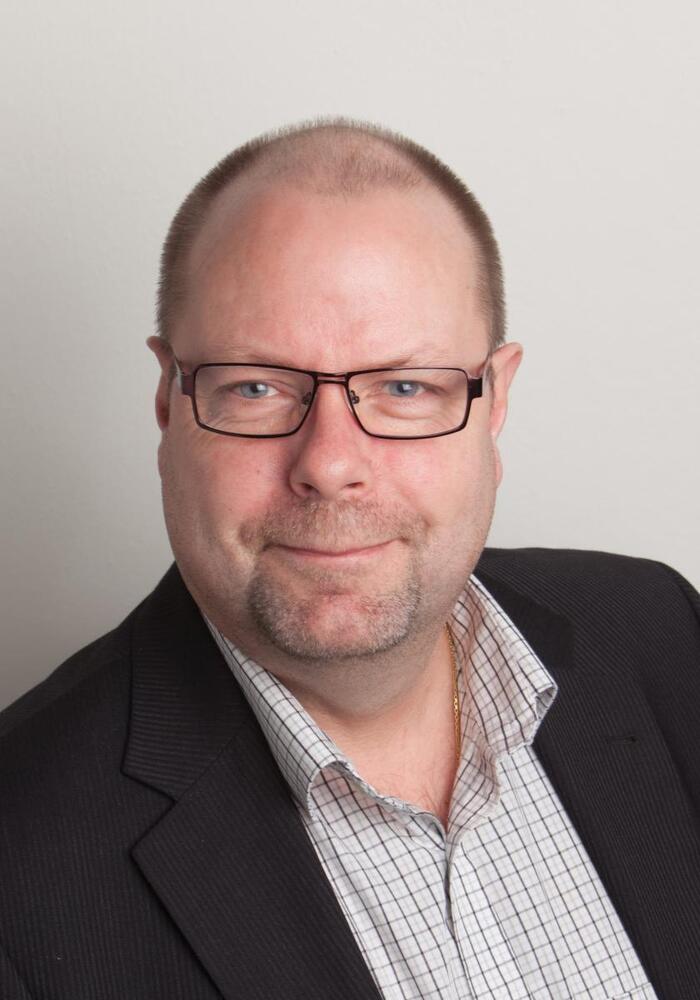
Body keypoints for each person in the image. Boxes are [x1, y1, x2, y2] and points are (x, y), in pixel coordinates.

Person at [1, 119, 698, 1000]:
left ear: (495, 403)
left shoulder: (663, 633)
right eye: (257, 386)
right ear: (169, 404)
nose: (330, 465)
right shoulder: (20, 868)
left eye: (405, 387)